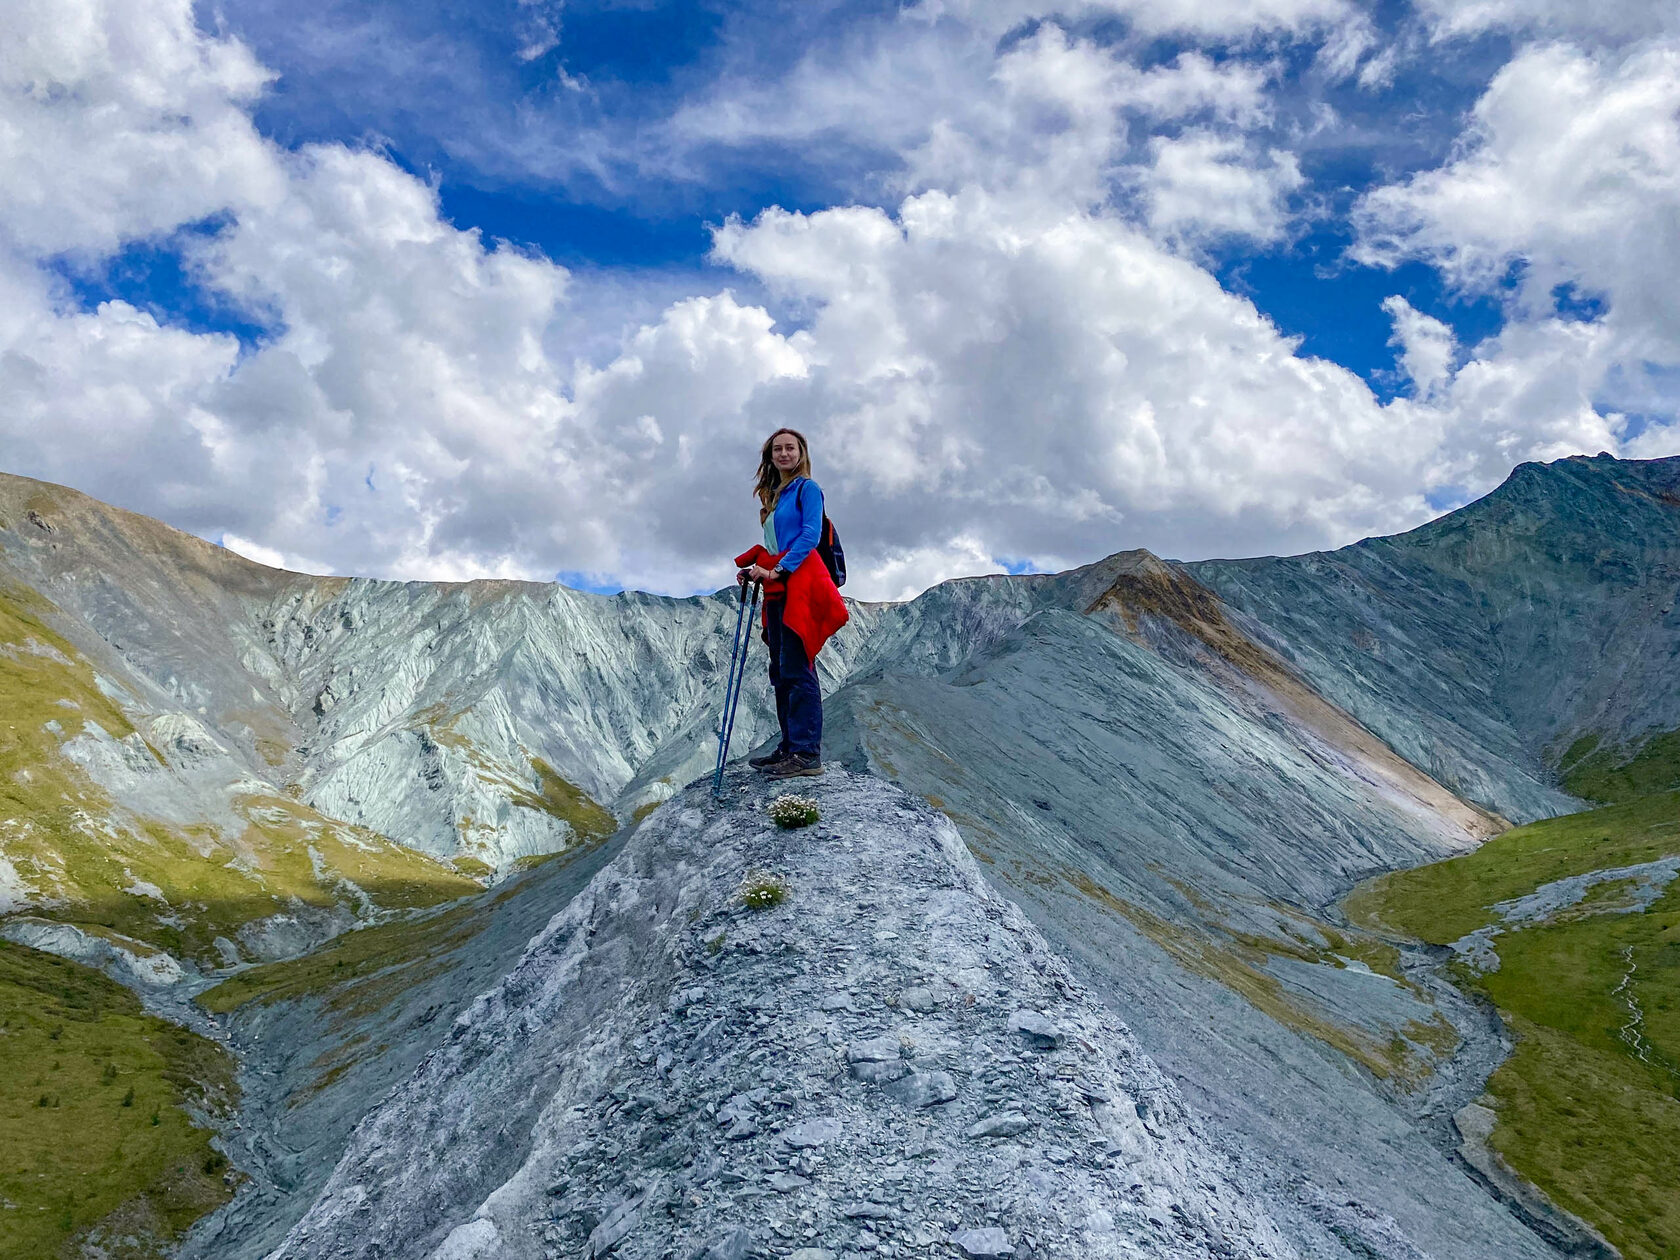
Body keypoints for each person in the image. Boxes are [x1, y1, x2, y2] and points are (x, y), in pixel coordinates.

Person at [733, 428, 848, 779]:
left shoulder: (808, 490)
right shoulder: (772, 501)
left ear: (801, 454)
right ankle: (790, 746)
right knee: (781, 671)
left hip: (799, 583)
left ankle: (806, 752)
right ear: (770, 457)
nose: (784, 454)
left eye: (790, 448)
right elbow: (773, 547)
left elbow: (810, 535)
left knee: (798, 668)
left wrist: (778, 569)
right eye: (777, 449)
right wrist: (760, 570)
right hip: (779, 588)